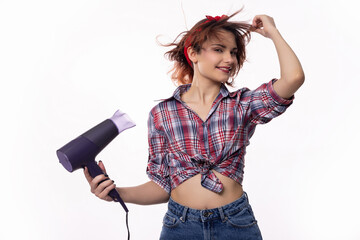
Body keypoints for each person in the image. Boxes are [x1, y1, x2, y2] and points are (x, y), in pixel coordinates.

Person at [83, 8, 304, 240]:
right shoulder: (163, 114)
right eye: (219, 50)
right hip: (180, 226)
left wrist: (273, 32)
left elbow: (293, 78)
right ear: (193, 53)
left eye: (233, 52)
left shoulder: (243, 104)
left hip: (235, 223)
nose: (229, 59)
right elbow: (162, 186)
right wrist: (116, 193)